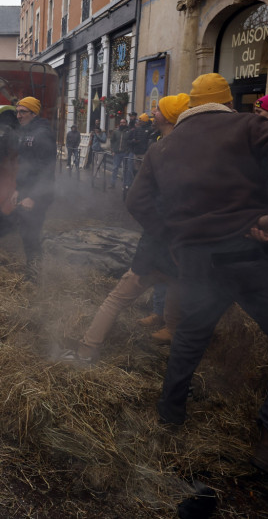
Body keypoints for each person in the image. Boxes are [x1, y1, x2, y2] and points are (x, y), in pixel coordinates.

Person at [125, 72, 268, 497]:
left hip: (197, 260)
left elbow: (135, 201)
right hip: (244, 254)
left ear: (189, 108)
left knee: (191, 333)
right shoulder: (246, 125)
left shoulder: (163, 147)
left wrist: (172, 239)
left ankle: (170, 413)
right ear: (227, 101)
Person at [60, 94, 190, 364]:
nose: (152, 113)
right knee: (177, 286)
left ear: (169, 116)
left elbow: (138, 200)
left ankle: (87, 348)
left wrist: (159, 230)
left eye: (158, 110)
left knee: (117, 298)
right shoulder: (191, 147)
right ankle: (174, 333)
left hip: (160, 243)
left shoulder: (163, 149)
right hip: (185, 243)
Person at [10, 96, 56, 280]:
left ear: (33, 113)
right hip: (27, 192)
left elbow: (47, 170)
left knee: (31, 235)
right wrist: (18, 190)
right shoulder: (27, 132)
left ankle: (35, 277)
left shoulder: (42, 133)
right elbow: (25, 168)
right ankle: (32, 270)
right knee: (27, 234)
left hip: (38, 195)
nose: (18, 116)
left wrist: (34, 197)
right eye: (17, 111)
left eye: (23, 112)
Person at [109, 118, 132, 186]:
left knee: (125, 169)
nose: (122, 124)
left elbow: (130, 142)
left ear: (126, 123)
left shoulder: (128, 132)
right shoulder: (116, 132)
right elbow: (112, 141)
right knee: (115, 168)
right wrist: (112, 150)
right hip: (117, 153)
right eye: (121, 122)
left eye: (123, 122)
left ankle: (125, 184)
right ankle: (113, 183)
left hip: (125, 153)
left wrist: (128, 150)